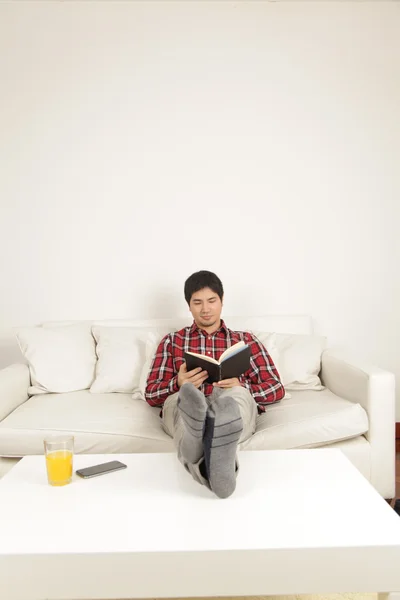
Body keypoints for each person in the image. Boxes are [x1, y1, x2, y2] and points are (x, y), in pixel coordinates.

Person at [145, 270, 285, 498]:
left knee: (235, 398)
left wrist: (241, 386)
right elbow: (151, 393)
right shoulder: (173, 341)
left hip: (232, 404)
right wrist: (177, 383)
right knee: (181, 400)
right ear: (188, 306)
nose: (205, 308)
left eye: (212, 301)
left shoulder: (245, 341)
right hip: (187, 404)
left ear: (222, 302)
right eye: (197, 302)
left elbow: (276, 388)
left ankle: (199, 441)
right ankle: (206, 444)